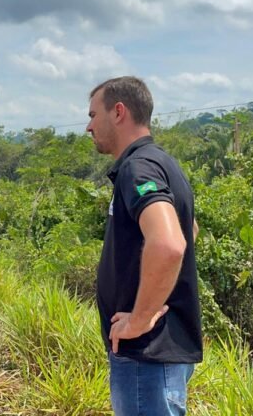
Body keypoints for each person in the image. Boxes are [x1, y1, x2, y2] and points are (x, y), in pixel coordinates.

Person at [86, 76, 202, 416]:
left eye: (93, 115)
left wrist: (142, 317)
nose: (88, 126)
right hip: (158, 355)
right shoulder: (162, 162)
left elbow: (169, 243)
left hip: (145, 355)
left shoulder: (138, 167)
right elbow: (188, 229)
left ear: (118, 112)